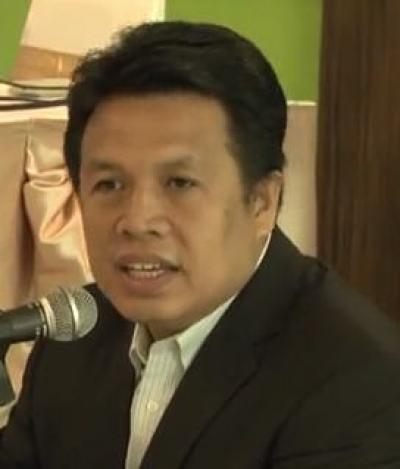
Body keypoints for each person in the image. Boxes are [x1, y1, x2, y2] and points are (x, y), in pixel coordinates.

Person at [1, 20, 400, 469]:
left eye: (179, 183)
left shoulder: (354, 383)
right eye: (109, 184)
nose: (138, 221)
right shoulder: (73, 342)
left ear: (262, 202)